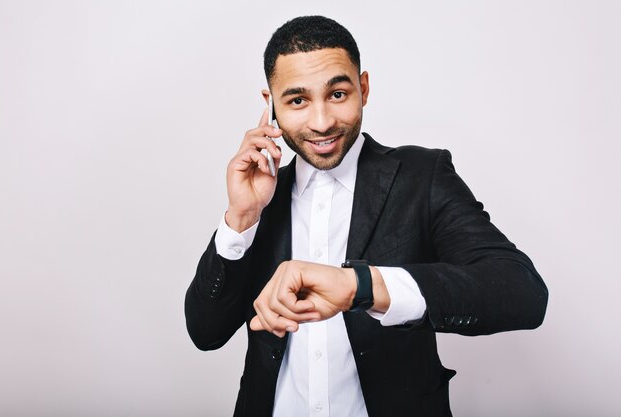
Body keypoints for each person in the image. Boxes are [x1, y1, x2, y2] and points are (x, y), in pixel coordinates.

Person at [185, 15, 548, 417]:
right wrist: (241, 216)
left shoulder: (421, 176)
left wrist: (362, 284)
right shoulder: (259, 199)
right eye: (297, 100)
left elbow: (523, 293)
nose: (322, 122)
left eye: (338, 94)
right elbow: (205, 332)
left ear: (364, 88)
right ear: (270, 105)